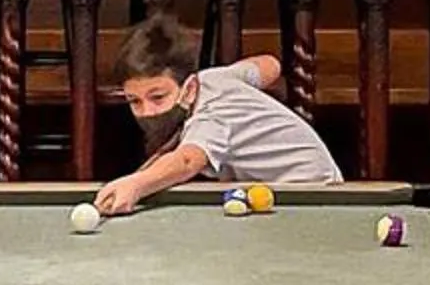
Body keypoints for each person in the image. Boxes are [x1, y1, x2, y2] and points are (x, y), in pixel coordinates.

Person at [96, 14, 342, 216]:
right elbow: (270, 65)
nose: (147, 111)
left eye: (158, 97)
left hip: (313, 194)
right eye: (134, 101)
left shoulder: (211, 114)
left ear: (190, 88)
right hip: (275, 193)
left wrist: (135, 184)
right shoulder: (217, 77)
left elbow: (187, 161)